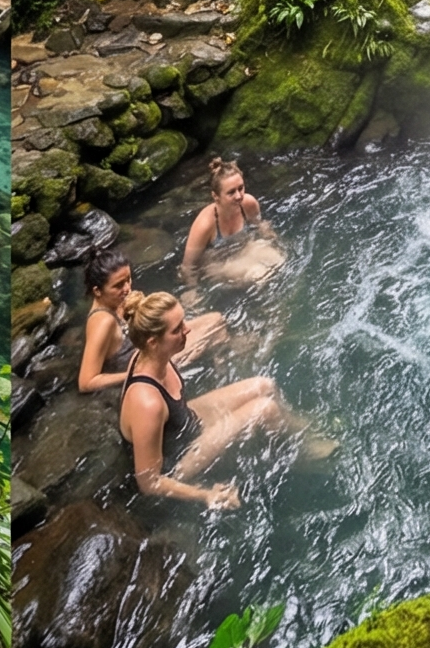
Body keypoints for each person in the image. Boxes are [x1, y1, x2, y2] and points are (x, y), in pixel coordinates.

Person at [116, 291, 294, 509]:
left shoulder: (148, 353)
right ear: (153, 342)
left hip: (184, 422)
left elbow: (199, 331)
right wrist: (205, 494)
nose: (187, 330)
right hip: (176, 461)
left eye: (183, 322)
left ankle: (302, 433)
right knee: (265, 409)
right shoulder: (147, 403)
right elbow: (149, 482)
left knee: (264, 385)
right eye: (177, 329)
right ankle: (299, 461)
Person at [78, 252, 227, 393]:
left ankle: (219, 364)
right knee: (215, 329)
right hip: (147, 366)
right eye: (118, 285)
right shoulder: (103, 322)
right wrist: (136, 375)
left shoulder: (117, 302)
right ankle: (220, 375)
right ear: (97, 291)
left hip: (151, 350)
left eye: (128, 279)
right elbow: (86, 382)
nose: (127, 288)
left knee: (215, 319)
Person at [181, 156, 286, 285]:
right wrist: (191, 290)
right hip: (218, 264)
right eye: (231, 192)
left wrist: (273, 238)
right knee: (259, 272)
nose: (238, 196)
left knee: (279, 260)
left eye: (240, 188)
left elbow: (260, 225)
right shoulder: (205, 224)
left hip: (245, 248)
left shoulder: (248, 204)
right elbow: (188, 266)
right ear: (215, 196)